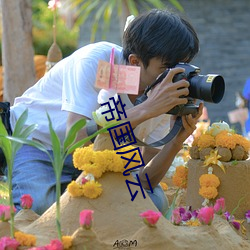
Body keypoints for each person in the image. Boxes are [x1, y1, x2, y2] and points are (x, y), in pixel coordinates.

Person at [6, 9, 202, 215]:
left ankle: (71, 198)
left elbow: (145, 181)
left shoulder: (166, 90)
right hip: (37, 143)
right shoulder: (97, 62)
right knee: (40, 208)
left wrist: (176, 141)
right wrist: (147, 109)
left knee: (152, 202)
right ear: (135, 62)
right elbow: (76, 140)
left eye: (182, 66)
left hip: (101, 156)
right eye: (167, 68)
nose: (175, 76)